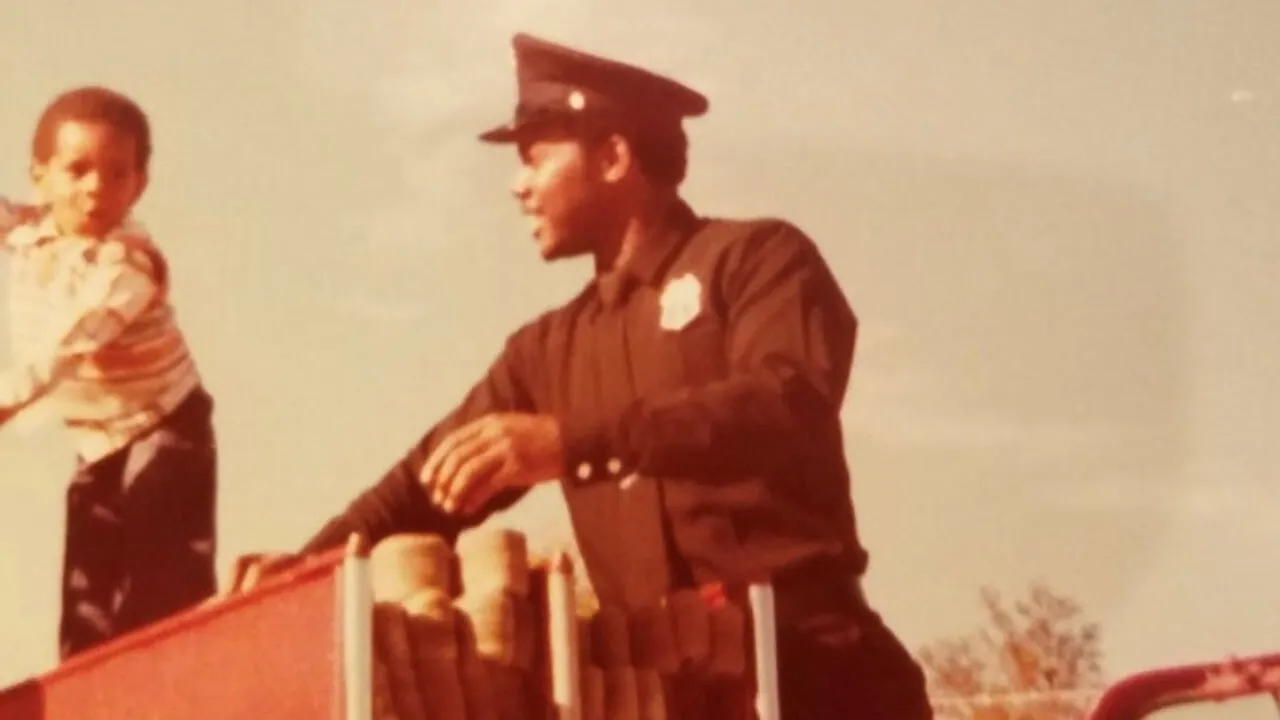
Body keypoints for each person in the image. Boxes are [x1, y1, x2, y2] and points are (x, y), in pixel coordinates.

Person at [225, 34, 932, 718]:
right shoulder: (546, 351)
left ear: (615, 155)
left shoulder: (755, 259)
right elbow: (425, 486)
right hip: (661, 696)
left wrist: (575, 443)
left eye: (534, 159)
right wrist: (302, 574)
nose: (518, 188)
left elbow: (787, 403)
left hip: (816, 671)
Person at [0, 86, 218, 660]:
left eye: (117, 174)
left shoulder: (126, 264)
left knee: (159, 582)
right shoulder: (31, 231)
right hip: (100, 440)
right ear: (40, 176)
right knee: (89, 589)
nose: (96, 187)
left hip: (166, 428)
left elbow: (66, 345)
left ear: (139, 185)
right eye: (77, 170)